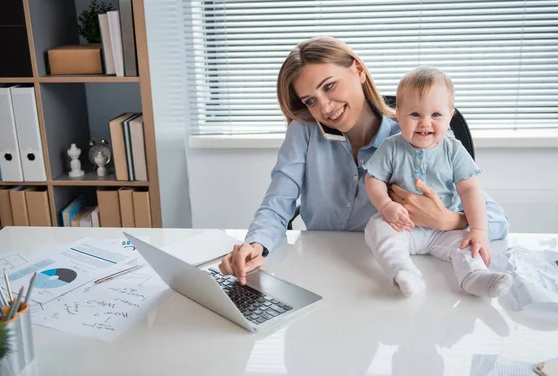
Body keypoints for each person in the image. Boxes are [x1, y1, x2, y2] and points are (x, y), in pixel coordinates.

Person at [218, 36, 509, 285]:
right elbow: (277, 203)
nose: (325, 107)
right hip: (320, 267)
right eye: (310, 100)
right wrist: (255, 244)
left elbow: (498, 220)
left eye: (330, 86)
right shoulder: (304, 132)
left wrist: (447, 220)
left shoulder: (412, 138)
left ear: (357, 70)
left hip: (380, 271)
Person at [363, 67, 513, 298]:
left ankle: (474, 278)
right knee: (376, 229)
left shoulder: (453, 150)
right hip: (403, 226)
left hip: (444, 229)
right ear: (399, 115)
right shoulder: (391, 147)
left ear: (449, 116)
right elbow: (373, 179)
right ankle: (403, 272)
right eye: (415, 115)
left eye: (435, 115)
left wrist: (479, 230)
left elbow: (470, 189)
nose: (425, 123)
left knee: (468, 243)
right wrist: (386, 206)